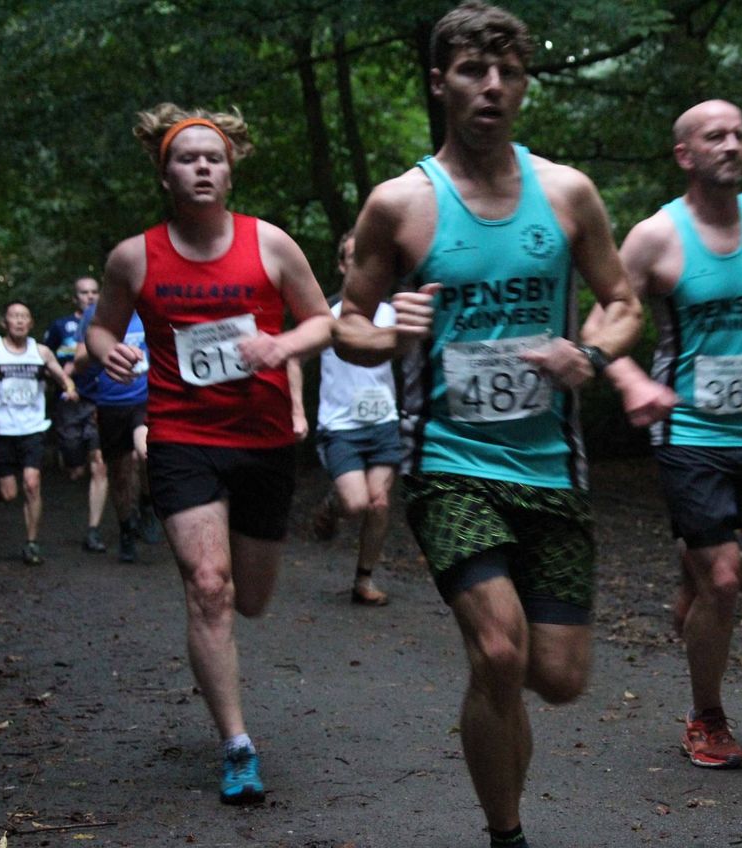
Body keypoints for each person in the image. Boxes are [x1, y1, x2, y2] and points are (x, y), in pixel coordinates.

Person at [333, 4, 643, 846]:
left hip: (551, 466)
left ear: (524, 85)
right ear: (441, 82)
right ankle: (506, 834)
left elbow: (623, 303)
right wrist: (394, 333)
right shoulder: (399, 203)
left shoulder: (567, 193)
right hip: (448, 462)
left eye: (508, 72)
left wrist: (588, 352)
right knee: (499, 653)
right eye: (473, 70)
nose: (492, 86)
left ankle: (500, 735)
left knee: (557, 677)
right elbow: (347, 327)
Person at [85, 103, 332, 805]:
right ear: (164, 175)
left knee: (251, 598)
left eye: (212, 157)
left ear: (229, 171)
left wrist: (281, 345)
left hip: (262, 442)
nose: (201, 167)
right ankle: (236, 745)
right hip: (181, 437)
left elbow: (322, 321)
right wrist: (110, 352)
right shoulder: (134, 257)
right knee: (208, 586)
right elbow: (100, 331)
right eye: (186, 158)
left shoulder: (270, 245)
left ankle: (232, 717)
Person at [592, 99, 742, 769]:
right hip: (689, 433)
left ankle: (697, 570)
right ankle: (706, 716)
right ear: (685, 155)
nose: (731, 145)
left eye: (740, 135)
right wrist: (630, 380)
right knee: (723, 580)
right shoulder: (653, 238)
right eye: (715, 136)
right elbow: (601, 322)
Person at [309, 228, 401, 606]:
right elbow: (293, 359)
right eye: (353, 258)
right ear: (341, 265)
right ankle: (333, 503)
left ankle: (364, 579)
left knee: (379, 502)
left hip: (383, 421)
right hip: (340, 427)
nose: (362, 266)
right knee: (355, 503)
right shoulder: (324, 316)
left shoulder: (394, 313)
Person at [0, 301, 78, 564]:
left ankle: (31, 543)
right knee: (9, 494)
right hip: (0, 429)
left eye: (24, 316)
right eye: (14, 316)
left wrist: (70, 389)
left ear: (30, 323)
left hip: (32, 427)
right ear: (5, 323)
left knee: (32, 483)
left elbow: (63, 378)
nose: (19, 321)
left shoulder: (41, 352)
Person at [75, 304, 156, 563]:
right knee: (120, 474)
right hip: (111, 403)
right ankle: (126, 530)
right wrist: (104, 352)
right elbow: (78, 362)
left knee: (145, 453)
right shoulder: (97, 313)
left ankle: (147, 502)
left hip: (146, 399)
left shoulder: (151, 304)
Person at [43, 276, 109, 553]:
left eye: (94, 292)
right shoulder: (60, 326)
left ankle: (93, 530)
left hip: (100, 399)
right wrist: (63, 381)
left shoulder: (109, 322)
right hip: (70, 402)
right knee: (76, 466)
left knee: (99, 464)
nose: (90, 296)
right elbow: (45, 360)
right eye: (84, 292)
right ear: (75, 297)